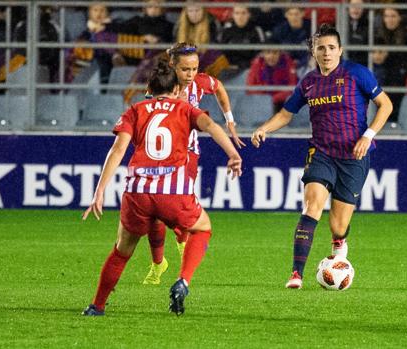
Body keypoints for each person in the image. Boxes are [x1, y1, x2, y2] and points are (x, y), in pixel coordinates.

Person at [81, 61, 243, 316]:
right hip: (173, 190)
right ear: (177, 90)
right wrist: (233, 154)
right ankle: (183, 280)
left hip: (138, 191)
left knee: (121, 251)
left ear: (149, 88)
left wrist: (99, 190)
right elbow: (211, 127)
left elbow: (119, 149)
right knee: (202, 228)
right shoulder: (185, 108)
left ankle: (96, 306)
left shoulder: (135, 110)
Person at [251, 24, 393, 289]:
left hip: (354, 154)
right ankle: (296, 274)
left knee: (338, 225)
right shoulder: (308, 83)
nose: (326, 53)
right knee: (312, 205)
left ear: (340, 50)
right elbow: (286, 114)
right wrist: (263, 128)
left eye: (331, 48)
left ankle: (339, 242)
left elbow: (386, 104)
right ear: (313, 52)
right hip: (322, 152)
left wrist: (368, 135)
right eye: (320, 48)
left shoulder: (357, 73)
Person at [141, 42, 246, 285]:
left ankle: (183, 248)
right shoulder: (159, 86)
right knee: (152, 215)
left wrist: (229, 119)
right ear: (172, 66)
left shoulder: (200, 82)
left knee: (177, 210)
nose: (191, 75)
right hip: (158, 155)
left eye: (195, 68)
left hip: (187, 153)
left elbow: (219, 88)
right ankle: (158, 263)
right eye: (185, 69)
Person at [246, 41, 298, 113]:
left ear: (280, 53)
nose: (271, 56)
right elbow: (250, 87)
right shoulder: (257, 63)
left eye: (275, 52)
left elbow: (293, 86)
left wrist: (274, 98)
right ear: (263, 54)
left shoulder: (288, 62)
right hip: (262, 101)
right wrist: (266, 98)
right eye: (268, 52)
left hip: (282, 101)